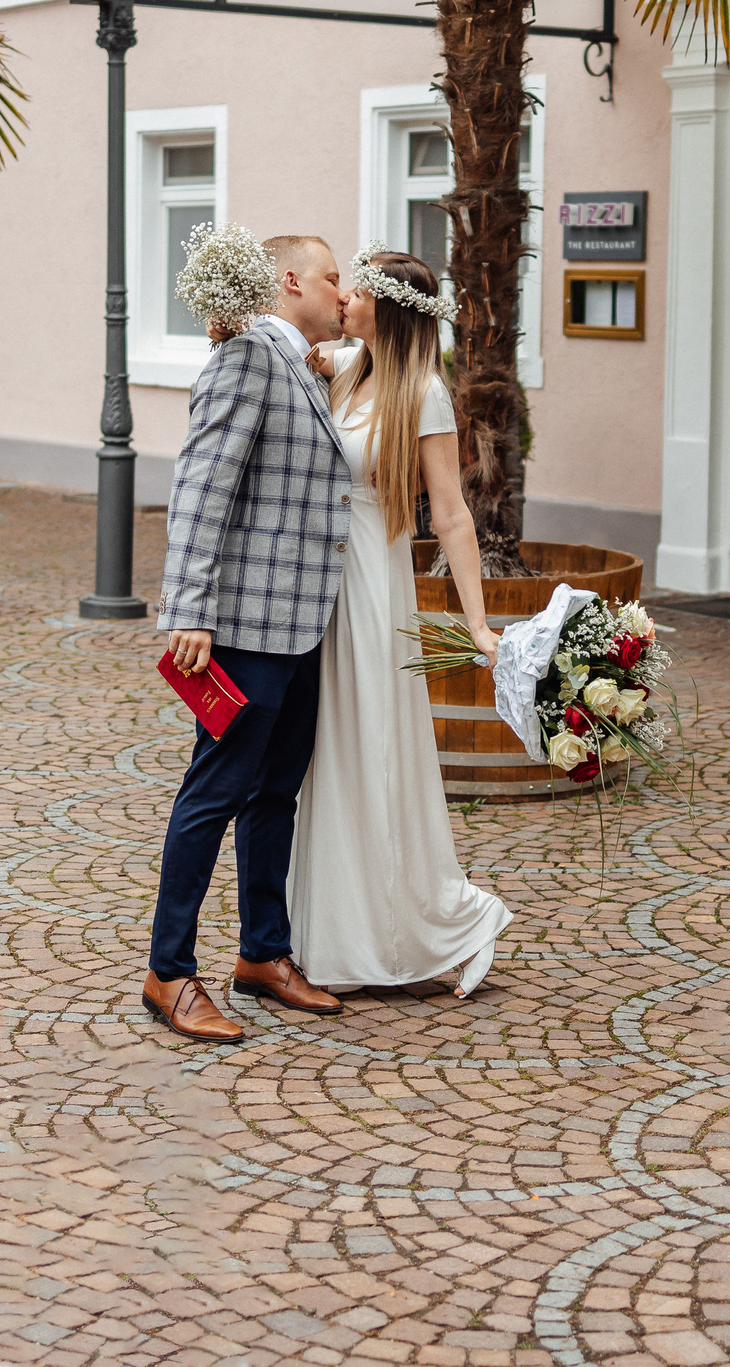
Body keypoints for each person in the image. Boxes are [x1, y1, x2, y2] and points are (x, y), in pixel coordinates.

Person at [146, 235, 355, 1043]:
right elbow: (201, 487)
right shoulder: (246, 359)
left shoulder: (301, 363)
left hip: (301, 625)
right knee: (214, 793)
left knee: (277, 795)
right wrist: (188, 607)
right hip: (242, 626)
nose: (343, 292)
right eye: (333, 276)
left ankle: (264, 954)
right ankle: (168, 972)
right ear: (290, 279)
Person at [289, 248, 512, 997]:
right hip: (324, 581)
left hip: (376, 585)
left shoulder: (425, 393)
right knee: (330, 755)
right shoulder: (344, 368)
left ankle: (449, 920)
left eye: (358, 287)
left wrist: (478, 624)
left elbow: (450, 514)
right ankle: (337, 935)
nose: (343, 295)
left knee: (375, 750)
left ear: (389, 306)